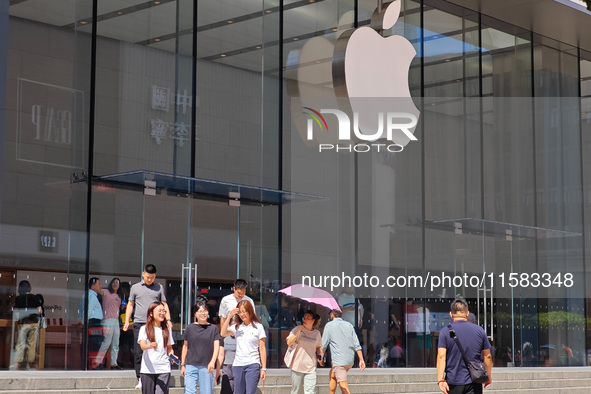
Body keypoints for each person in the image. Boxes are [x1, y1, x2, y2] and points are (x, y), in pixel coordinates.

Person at [123, 265, 172, 390]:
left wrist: (168, 319)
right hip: (140, 323)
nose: (150, 279)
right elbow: (130, 304)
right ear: (143, 274)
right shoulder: (135, 287)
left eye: (153, 277)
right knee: (139, 351)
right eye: (148, 277)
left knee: (157, 348)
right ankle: (140, 378)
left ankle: (157, 374)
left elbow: (164, 305)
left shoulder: (159, 287)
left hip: (156, 324)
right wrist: (127, 321)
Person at [437, 298, 493, 394]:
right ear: (467, 313)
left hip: (453, 381)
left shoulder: (445, 332)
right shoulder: (479, 330)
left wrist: (440, 380)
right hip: (474, 381)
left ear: (451, 314)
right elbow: (487, 356)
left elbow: (441, 356)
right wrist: (488, 375)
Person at [220, 300, 267, 394]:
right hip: (238, 365)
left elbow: (262, 349)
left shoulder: (258, 327)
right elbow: (223, 333)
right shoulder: (237, 327)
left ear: (250, 311)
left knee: (250, 392)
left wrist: (264, 368)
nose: (242, 314)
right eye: (240, 312)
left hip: (253, 364)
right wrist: (229, 316)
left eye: (244, 311)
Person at [218, 279, 256, 392]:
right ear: (234, 289)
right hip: (229, 332)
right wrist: (223, 335)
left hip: (244, 334)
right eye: (239, 292)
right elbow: (223, 318)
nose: (241, 294)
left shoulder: (249, 301)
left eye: (243, 292)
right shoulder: (226, 300)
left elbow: (253, 318)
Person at [321, 309, 366, 394]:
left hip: (339, 361)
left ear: (332, 315)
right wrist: (361, 359)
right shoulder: (349, 325)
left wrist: (320, 357)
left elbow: (323, 344)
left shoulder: (329, 325)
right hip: (349, 361)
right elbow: (356, 344)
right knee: (332, 375)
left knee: (343, 386)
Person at [181, 301, 221, 394]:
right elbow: (185, 346)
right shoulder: (190, 328)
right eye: (200, 311)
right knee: (189, 392)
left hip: (206, 366)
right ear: (195, 314)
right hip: (191, 365)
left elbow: (216, 347)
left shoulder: (213, 328)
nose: (203, 313)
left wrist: (212, 362)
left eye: (205, 310)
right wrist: (183, 365)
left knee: (207, 392)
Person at [138, 302, 176, 394]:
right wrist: (149, 345)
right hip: (148, 369)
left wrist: (173, 357)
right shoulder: (144, 328)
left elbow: (169, 348)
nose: (162, 313)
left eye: (164, 311)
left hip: (164, 368)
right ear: (151, 313)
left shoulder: (167, 329)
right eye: (160, 311)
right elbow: (142, 346)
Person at [286, 310, 323, 394]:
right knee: (295, 391)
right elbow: (289, 342)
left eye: (308, 318)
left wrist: (320, 356)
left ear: (313, 320)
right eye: (304, 317)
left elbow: (318, 346)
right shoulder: (297, 329)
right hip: (297, 365)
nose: (305, 319)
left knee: (310, 391)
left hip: (310, 367)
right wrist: (298, 332)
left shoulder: (317, 333)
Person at [12, 280, 43, 370]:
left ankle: (16, 364)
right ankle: (29, 365)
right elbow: (40, 311)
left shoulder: (18, 298)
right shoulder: (35, 298)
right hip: (34, 323)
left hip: (23, 323)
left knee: (20, 344)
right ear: (29, 288)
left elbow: (16, 313)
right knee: (31, 344)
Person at [97, 278, 123, 369]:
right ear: (110, 284)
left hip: (116, 320)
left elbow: (118, 308)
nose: (115, 284)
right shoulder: (106, 292)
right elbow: (97, 290)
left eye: (117, 282)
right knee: (106, 342)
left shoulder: (119, 296)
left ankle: (113, 363)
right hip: (107, 320)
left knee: (116, 343)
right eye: (113, 282)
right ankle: (98, 362)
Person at [83, 277, 104, 369]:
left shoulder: (89, 295)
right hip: (93, 323)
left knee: (95, 343)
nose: (100, 286)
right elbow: (88, 311)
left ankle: (94, 364)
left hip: (92, 322)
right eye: (99, 284)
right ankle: (95, 364)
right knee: (96, 344)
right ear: (93, 286)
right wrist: (85, 322)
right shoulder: (92, 296)